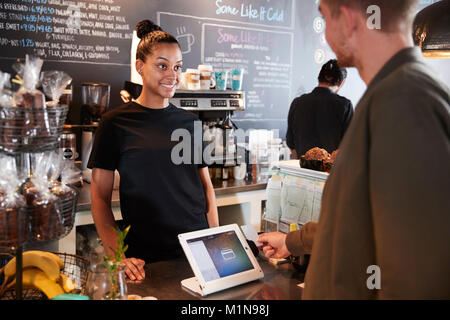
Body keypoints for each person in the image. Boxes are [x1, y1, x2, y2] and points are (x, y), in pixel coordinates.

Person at [258, 0, 450, 299]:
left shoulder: (403, 102)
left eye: (324, 18)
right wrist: (291, 242)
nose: (324, 35)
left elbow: (418, 274)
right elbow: (354, 221)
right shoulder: (391, 94)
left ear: (347, 20)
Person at [88, 20, 219, 282]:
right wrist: (119, 256)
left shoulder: (190, 123)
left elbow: (205, 187)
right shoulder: (115, 123)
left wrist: (213, 240)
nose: (172, 74)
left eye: (177, 67)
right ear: (140, 67)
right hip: (144, 258)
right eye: (162, 65)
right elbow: (99, 198)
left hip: (195, 250)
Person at [286, 59, 353, 159]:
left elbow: (291, 143)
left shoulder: (297, 102)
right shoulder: (344, 105)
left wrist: (304, 163)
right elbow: (349, 145)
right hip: (330, 172)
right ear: (341, 82)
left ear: (319, 77)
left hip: (302, 171)